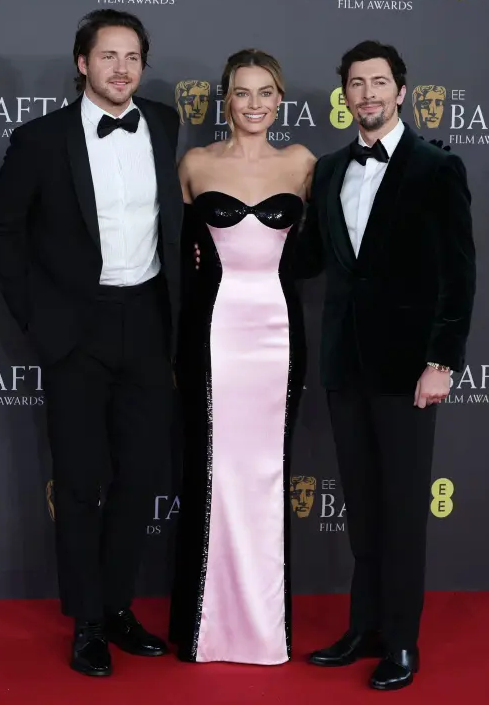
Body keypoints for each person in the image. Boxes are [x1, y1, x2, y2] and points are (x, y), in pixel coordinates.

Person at [0, 9, 182, 677]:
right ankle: (88, 622)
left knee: (141, 476)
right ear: (81, 64)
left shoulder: (161, 122)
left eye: (132, 58)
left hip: (149, 322)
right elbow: (1, 230)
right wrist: (40, 323)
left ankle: (121, 606)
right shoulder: (40, 140)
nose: (121, 69)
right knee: (77, 483)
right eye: (108, 57)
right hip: (78, 329)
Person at [297, 40, 476, 691]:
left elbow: (459, 278)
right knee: (363, 510)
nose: (367, 93)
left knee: (401, 511)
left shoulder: (435, 168)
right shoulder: (330, 168)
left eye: (379, 82)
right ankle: (364, 628)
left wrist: (442, 361)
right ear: (344, 95)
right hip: (345, 366)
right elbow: (309, 259)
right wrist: (239, 241)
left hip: (409, 371)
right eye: (355, 83)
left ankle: (402, 642)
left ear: (402, 91)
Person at [167, 48, 317, 665]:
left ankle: (263, 625)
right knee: (213, 471)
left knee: (266, 471)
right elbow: (186, 266)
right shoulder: (195, 164)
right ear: (224, 100)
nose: (254, 105)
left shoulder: (304, 164)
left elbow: (322, 254)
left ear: (280, 100)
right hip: (214, 338)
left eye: (265, 93)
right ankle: (207, 626)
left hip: (280, 339)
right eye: (242, 93)